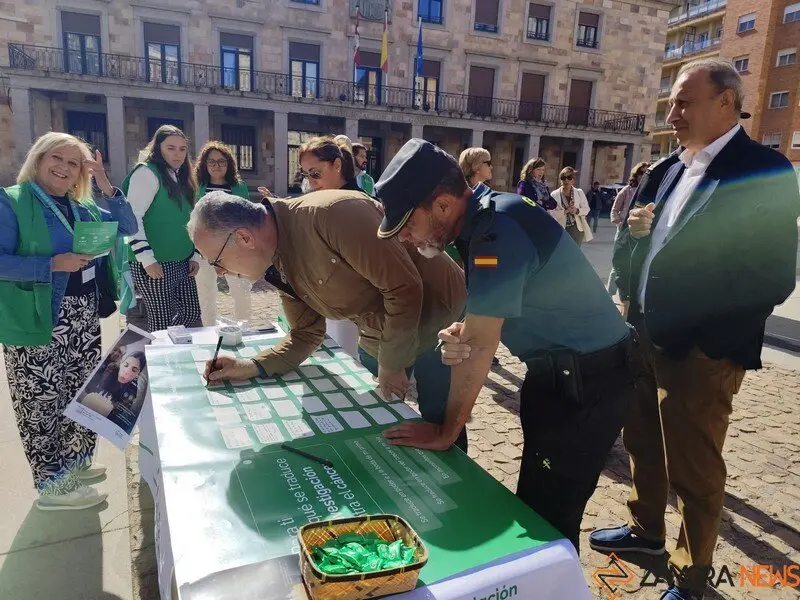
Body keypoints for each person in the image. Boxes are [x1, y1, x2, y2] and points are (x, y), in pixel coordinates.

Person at [589, 58, 800, 600]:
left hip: (700, 352)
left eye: (684, 102)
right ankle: (645, 531)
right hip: (642, 333)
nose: (673, 114)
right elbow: (632, 244)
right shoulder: (667, 168)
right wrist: (633, 244)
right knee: (641, 441)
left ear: (726, 102)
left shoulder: (763, 170)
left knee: (695, 465)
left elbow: (773, 276)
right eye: (672, 104)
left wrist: (710, 341)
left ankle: (692, 573)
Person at [373, 138, 635, 552]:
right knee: (536, 503)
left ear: (442, 205)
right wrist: (466, 328)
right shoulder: (487, 217)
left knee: (548, 519)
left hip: (588, 384)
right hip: (560, 376)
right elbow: (502, 309)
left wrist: (446, 432)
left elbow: (481, 347)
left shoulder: (495, 230)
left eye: (408, 223)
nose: (405, 236)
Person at [187, 189, 469, 449]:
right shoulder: (276, 258)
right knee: (382, 419)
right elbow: (306, 332)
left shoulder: (334, 215)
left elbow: (403, 288)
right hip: (378, 329)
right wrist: (252, 366)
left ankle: (458, 476)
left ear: (244, 238)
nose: (219, 272)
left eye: (216, 261)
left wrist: (393, 363)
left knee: (440, 418)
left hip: (438, 313)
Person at [0, 132, 137, 510]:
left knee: (79, 394)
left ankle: (73, 465)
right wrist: (51, 264)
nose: (63, 167)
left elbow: (127, 226)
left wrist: (105, 183)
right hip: (36, 316)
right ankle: (52, 485)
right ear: (38, 159)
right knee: (40, 400)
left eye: (73, 163)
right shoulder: (12, 201)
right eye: (56, 158)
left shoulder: (82, 207)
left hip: (82, 314)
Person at [122, 124, 202, 332]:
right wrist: (147, 259)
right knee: (162, 323)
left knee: (191, 315)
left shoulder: (182, 176)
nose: (178, 154)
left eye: (182, 149)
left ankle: (183, 352)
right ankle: (164, 354)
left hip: (182, 259)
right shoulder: (146, 173)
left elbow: (191, 218)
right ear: (158, 148)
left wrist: (195, 254)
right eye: (171, 148)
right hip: (156, 261)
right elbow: (133, 218)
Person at [194, 140, 253, 324]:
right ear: (204, 164)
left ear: (229, 164)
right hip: (203, 251)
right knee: (206, 296)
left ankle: (243, 330)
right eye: (211, 161)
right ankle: (210, 332)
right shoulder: (196, 187)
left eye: (221, 161)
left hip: (233, 250)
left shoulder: (239, 187)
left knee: (241, 293)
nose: (216, 165)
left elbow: (247, 218)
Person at [607, 162, 650, 296]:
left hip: (641, 232)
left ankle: (627, 295)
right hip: (624, 230)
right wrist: (620, 223)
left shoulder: (649, 191)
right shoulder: (627, 190)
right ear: (635, 175)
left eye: (646, 173)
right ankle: (609, 294)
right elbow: (615, 210)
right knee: (619, 262)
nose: (643, 176)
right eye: (641, 173)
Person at [84, 351, 148, 434]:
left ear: (137, 374)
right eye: (126, 365)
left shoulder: (132, 391)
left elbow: (118, 414)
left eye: (134, 370)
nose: (126, 371)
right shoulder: (110, 369)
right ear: (121, 363)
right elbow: (88, 388)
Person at [550, 167, 591, 245]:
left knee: (575, 252)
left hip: (576, 229)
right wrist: (565, 211)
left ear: (573, 180)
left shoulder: (579, 192)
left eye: (569, 177)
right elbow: (551, 214)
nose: (566, 180)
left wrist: (577, 210)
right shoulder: (554, 194)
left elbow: (586, 209)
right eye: (563, 177)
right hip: (562, 229)